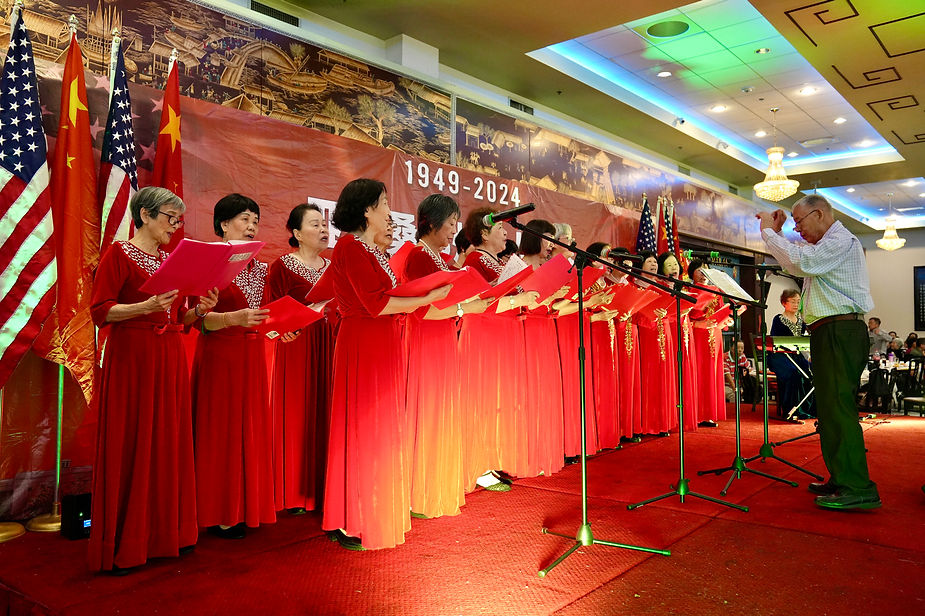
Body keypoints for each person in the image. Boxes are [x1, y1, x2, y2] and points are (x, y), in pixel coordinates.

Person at [88, 187, 218, 574]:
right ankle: (127, 540)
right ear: (144, 215)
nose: (175, 228)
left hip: (169, 355)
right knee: (133, 438)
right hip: (133, 357)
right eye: (169, 218)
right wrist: (143, 307)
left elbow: (180, 320)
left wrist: (201, 310)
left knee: (167, 439)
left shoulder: (170, 260)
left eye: (179, 221)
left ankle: (169, 533)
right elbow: (100, 311)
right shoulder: (118, 253)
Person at [322, 179, 450, 550]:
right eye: (383, 203)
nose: (388, 210)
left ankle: (371, 508)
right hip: (364, 341)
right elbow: (377, 303)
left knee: (380, 428)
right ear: (365, 210)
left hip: (383, 341)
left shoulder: (370, 250)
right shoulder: (349, 246)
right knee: (364, 428)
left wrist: (424, 297)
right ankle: (352, 517)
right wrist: (428, 295)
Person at [758, 194, 879, 511]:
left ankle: (859, 486)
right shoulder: (826, 245)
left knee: (838, 408)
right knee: (828, 410)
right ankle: (842, 478)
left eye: (799, 222)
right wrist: (780, 235)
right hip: (830, 331)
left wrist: (770, 233)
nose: (797, 229)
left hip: (840, 331)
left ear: (819, 213)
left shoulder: (840, 239)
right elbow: (797, 258)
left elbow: (803, 262)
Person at [192, 194, 276, 539]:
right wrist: (232, 318)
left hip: (253, 356)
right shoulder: (210, 260)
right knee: (220, 431)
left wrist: (280, 329)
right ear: (224, 224)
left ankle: (247, 507)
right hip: (220, 354)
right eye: (244, 218)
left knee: (251, 429)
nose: (252, 224)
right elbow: (196, 320)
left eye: (255, 218)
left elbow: (266, 314)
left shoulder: (262, 266)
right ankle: (218, 511)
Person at [402, 194, 486, 519]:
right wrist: (466, 307)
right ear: (432, 222)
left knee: (441, 410)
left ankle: (434, 487)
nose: (455, 229)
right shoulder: (419, 256)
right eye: (450, 223)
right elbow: (424, 312)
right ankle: (419, 493)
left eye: (456, 223)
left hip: (443, 340)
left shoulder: (442, 258)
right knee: (428, 411)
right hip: (425, 342)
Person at [265, 203, 334, 515]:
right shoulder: (281, 266)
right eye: (315, 224)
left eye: (324, 224)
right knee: (296, 416)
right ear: (296, 233)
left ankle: (325, 486)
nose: (323, 230)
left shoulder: (333, 266)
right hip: (296, 346)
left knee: (326, 410)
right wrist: (282, 331)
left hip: (329, 344)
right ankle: (293, 492)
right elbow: (270, 310)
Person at [768, 289, 815, 419]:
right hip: (780, 356)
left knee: (811, 372)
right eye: (793, 301)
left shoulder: (801, 321)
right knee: (794, 373)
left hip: (797, 356)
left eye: (798, 302)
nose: (796, 304)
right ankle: (792, 410)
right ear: (784, 303)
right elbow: (774, 341)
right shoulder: (778, 319)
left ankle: (807, 408)